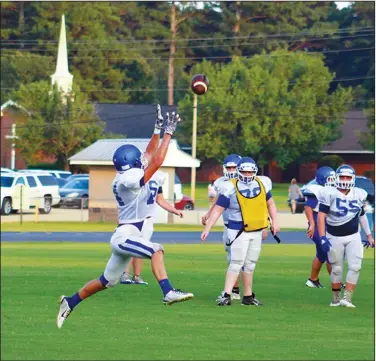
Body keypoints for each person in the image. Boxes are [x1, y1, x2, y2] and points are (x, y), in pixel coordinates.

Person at [56, 105, 193, 329]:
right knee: (156, 249)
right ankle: (168, 291)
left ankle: (69, 301)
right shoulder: (127, 180)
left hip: (129, 233)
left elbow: (149, 156)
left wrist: (158, 130)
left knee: (106, 281)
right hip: (126, 234)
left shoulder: (129, 171)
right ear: (133, 163)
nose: (143, 159)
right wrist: (169, 132)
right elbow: (156, 161)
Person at [201, 157, 280, 306]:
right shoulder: (230, 186)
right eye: (245, 171)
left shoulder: (262, 183)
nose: (248, 175)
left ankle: (248, 296)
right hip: (237, 229)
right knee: (236, 262)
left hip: (255, 230)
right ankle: (226, 295)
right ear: (239, 171)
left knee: (250, 264)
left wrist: (274, 222)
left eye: (250, 172)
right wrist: (208, 228)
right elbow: (218, 209)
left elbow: (270, 204)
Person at [317, 164, 374, 308]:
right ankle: (335, 299)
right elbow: (321, 217)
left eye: (348, 177)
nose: (345, 180)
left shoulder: (358, 193)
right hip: (334, 235)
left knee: (355, 266)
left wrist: (369, 235)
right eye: (342, 176)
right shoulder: (329, 192)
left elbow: (361, 215)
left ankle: (347, 299)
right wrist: (322, 237)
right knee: (336, 268)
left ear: (353, 178)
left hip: (353, 236)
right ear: (336, 178)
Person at [120, 170, 184, 285]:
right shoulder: (136, 175)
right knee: (130, 246)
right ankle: (125, 274)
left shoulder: (157, 176)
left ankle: (137, 276)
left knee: (141, 247)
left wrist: (173, 210)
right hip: (134, 217)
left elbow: (160, 199)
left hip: (148, 218)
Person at [202, 154, 242, 300]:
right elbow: (219, 201)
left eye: (234, 167)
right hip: (227, 226)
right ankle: (235, 289)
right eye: (229, 167)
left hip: (243, 226)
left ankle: (242, 291)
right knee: (232, 259)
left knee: (243, 261)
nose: (231, 170)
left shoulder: (246, 183)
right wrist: (208, 213)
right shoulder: (221, 182)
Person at [303, 166, 336, 288]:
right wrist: (311, 224)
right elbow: (308, 207)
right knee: (329, 253)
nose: (333, 181)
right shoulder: (316, 190)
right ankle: (336, 282)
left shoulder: (331, 190)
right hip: (317, 225)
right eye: (330, 179)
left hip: (326, 224)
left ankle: (312, 280)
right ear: (323, 179)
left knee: (321, 255)